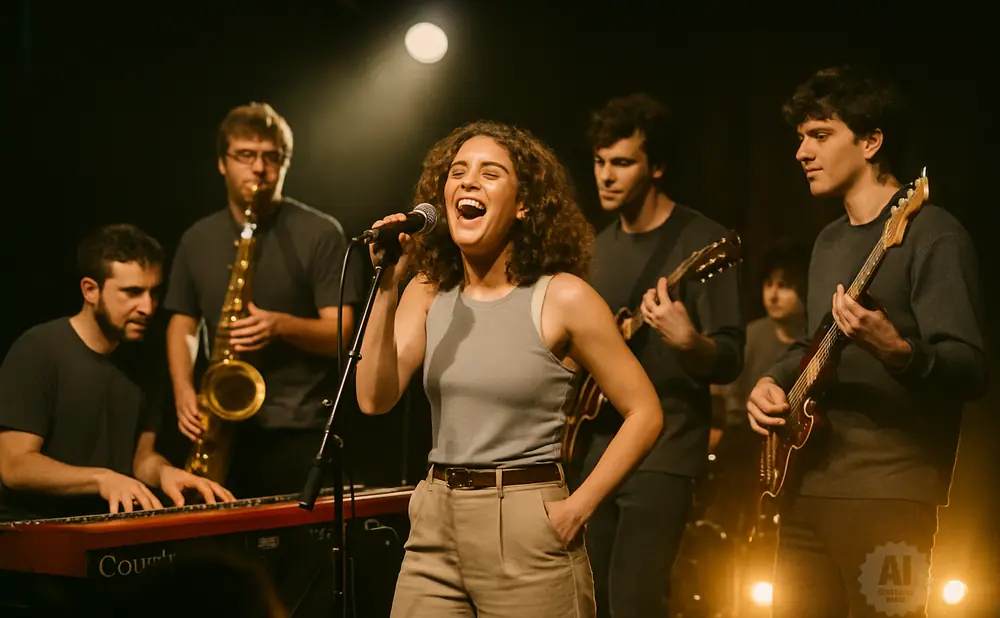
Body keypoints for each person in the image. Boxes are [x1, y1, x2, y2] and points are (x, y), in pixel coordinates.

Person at [355, 120, 664, 618]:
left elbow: (645, 412)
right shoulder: (427, 289)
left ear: (523, 205)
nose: (469, 182)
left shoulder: (562, 296)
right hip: (435, 517)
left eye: (489, 173)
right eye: (458, 172)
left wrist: (576, 509)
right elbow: (374, 399)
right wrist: (388, 286)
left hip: (523, 519)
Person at [747, 65, 987, 618]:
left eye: (821, 135)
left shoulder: (935, 235)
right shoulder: (829, 241)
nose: (802, 152)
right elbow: (812, 347)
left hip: (894, 495)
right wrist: (770, 381)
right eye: (801, 138)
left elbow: (970, 369)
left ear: (872, 141)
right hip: (808, 489)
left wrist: (897, 351)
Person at [576, 92, 745, 617]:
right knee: (592, 599)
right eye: (601, 162)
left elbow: (731, 357)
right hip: (594, 450)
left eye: (622, 163)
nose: (606, 175)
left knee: (635, 601)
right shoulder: (593, 250)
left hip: (665, 449)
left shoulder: (702, 241)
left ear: (658, 167)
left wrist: (689, 342)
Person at [165, 102, 363, 498]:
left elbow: (343, 334)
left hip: (298, 428)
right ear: (223, 163)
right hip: (222, 427)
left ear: (285, 164)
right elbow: (182, 323)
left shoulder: (320, 232)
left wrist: (280, 326)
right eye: (245, 156)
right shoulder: (196, 239)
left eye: (272, 158)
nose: (259, 168)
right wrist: (184, 390)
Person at [0, 224, 234, 521]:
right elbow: (15, 467)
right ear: (90, 290)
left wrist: (165, 473)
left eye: (154, 293)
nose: (148, 307)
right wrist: (102, 479)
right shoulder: (38, 350)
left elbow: (141, 457)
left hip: (113, 529)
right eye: (132, 292)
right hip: (39, 533)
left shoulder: (146, 359)